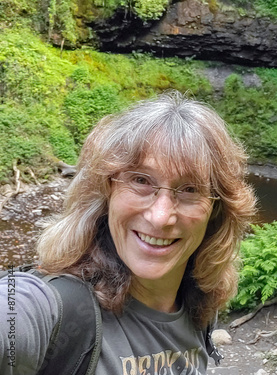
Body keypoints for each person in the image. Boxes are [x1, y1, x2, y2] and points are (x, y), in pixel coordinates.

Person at [0, 91, 257, 374]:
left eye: (190, 189)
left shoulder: (198, 305)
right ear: (107, 189)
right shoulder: (52, 308)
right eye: (141, 180)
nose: (160, 217)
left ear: (216, 211)